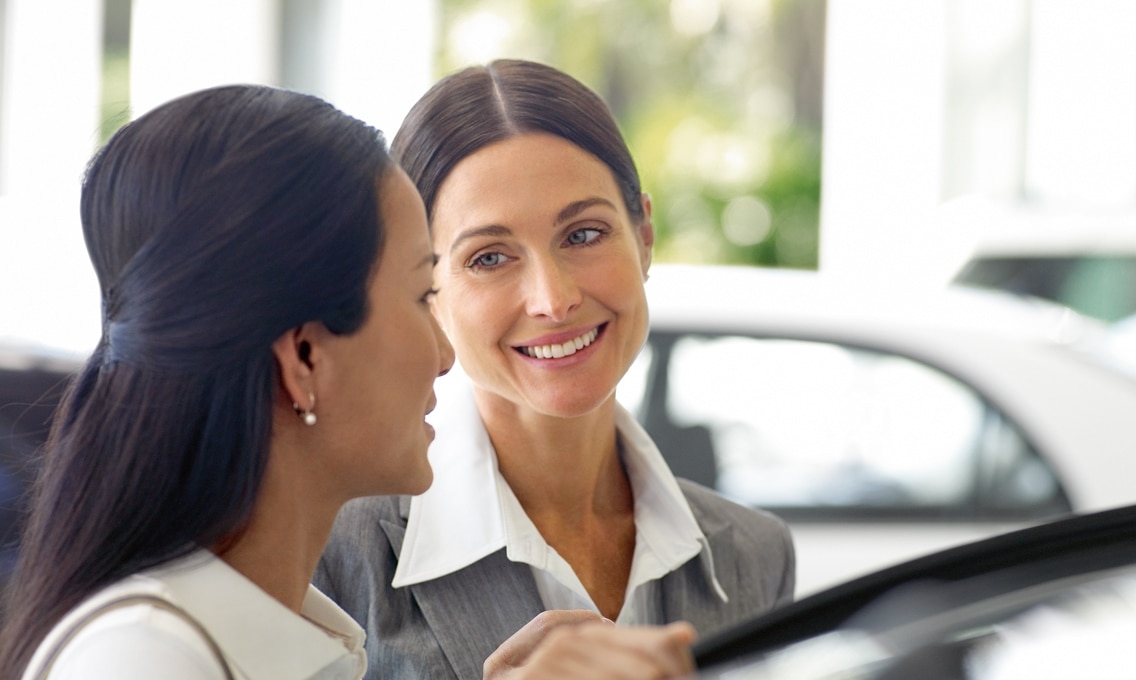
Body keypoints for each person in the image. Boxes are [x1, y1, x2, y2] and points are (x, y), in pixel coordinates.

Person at [0, 84, 696, 680]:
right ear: (304, 357)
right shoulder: (144, 659)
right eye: (424, 294)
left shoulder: (299, 636)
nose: (443, 353)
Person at [315, 59, 795, 680]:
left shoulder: (754, 558)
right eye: (489, 257)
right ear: (424, 286)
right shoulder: (332, 555)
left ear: (644, 235)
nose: (553, 298)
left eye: (584, 235)